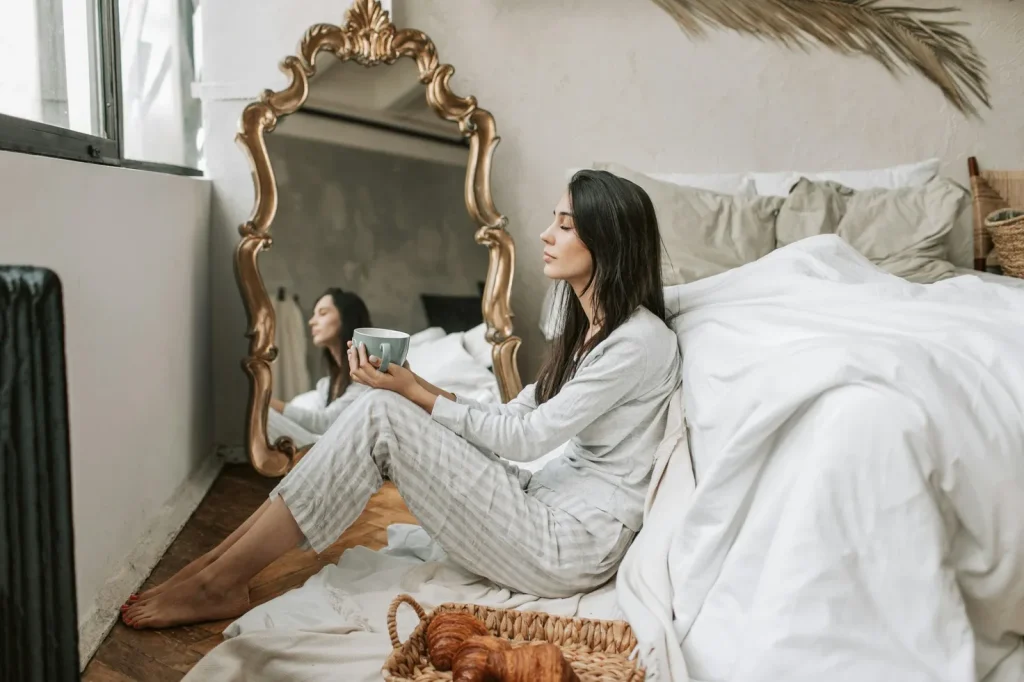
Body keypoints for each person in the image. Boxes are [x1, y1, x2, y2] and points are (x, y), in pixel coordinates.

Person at [120, 169, 683, 629]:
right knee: (382, 406)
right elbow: (517, 414)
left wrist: (412, 393)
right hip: (542, 503)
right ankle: (219, 568)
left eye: (565, 225)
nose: (546, 234)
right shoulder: (588, 328)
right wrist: (415, 386)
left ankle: (221, 579)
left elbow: (531, 438)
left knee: (384, 411)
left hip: (569, 546)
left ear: (606, 241)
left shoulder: (638, 341)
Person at [267, 288, 373, 446]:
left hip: (342, 450)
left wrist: (266, 403)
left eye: (322, 313)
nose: (311, 321)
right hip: (323, 445)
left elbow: (327, 423)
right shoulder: (327, 385)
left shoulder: (365, 377)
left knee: (264, 415)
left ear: (347, 318)